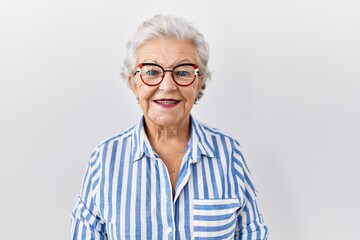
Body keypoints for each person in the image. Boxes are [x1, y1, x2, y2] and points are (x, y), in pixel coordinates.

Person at [71, 14, 268, 239]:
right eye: (152, 72)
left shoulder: (229, 153)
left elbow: (252, 233)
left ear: (199, 82)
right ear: (133, 82)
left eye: (183, 72)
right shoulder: (105, 160)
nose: (167, 86)